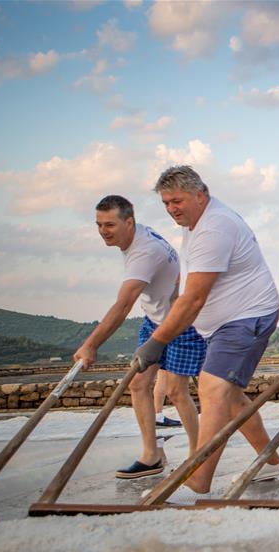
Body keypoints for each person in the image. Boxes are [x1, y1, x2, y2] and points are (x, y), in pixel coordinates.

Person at [133, 166, 279, 503]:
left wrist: (157, 341)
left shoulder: (214, 227)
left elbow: (195, 297)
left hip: (246, 317)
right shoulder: (195, 224)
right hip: (222, 323)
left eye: (177, 200)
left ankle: (197, 483)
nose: (172, 208)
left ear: (201, 194)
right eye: (166, 203)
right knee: (229, 397)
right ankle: (271, 461)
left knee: (213, 388)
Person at [74, 195, 201, 479]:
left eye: (110, 224)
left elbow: (122, 305)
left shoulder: (144, 252)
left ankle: (198, 454)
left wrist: (90, 345)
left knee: (177, 392)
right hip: (154, 319)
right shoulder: (138, 237)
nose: (103, 231)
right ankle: (152, 455)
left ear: (129, 222)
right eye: (99, 225)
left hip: (180, 323)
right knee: (138, 383)